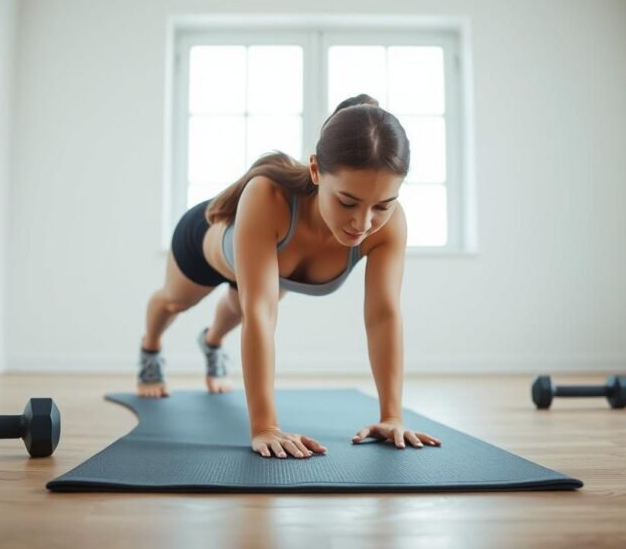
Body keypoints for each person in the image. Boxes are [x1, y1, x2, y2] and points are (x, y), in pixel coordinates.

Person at [138, 93, 441, 459]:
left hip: (265, 271)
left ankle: (213, 342)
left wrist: (392, 415)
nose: (363, 224)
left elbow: (383, 315)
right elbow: (262, 315)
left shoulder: (389, 227)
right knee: (175, 301)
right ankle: (151, 347)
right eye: (347, 202)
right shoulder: (268, 197)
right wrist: (265, 427)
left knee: (236, 307)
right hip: (204, 242)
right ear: (316, 171)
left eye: (382, 206)